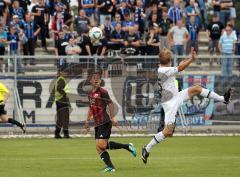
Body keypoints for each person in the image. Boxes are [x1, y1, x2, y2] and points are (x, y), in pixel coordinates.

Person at [141, 48, 232, 164]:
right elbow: (181, 67)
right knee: (168, 132)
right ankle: (147, 148)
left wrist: (189, 58)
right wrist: (191, 59)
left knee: (197, 88)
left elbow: (179, 67)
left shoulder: (164, 69)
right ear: (169, 60)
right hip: (170, 104)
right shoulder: (165, 70)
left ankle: (223, 99)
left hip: (176, 97)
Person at [85, 69, 137, 172]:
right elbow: (91, 108)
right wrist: (87, 121)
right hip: (97, 123)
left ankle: (127, 147)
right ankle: (110, 167)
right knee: (99, 148)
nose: (96, 80)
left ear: (100, 81)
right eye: (93, 78)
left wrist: (113, 117)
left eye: (98, 79)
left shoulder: (103, 92)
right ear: (90, 81)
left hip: (105, 121)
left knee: (101, 145)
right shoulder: (90, 94)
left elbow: (110, 103)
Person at [54, 68, 71, 138]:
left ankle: (57, 133)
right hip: (63, 101)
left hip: (58, 101)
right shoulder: (61, 80)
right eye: (64, 72)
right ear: (61, 72)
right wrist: (65, 95)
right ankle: (66, 134)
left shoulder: (59, 79)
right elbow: (59, 88)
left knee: (60, 118)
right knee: (65, 118)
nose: (66, 73)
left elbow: (56, 89)